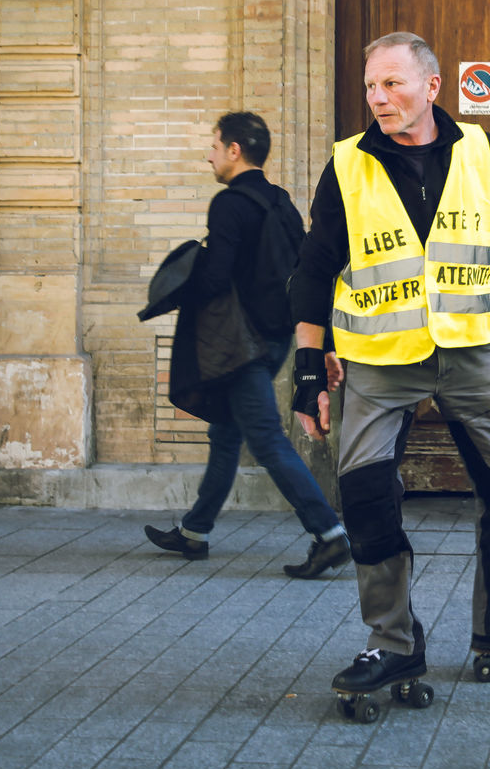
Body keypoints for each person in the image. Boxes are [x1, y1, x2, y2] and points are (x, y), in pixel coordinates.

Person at [288, 32, 490, 696]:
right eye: (370, 85)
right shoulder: (347, 163)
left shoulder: (477, 150)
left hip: (471, 354)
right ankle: (392, 642)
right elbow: (313, 267)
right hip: (377, 361)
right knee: (365, 498)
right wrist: (307, 367)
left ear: (432, 87)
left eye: (392, 83)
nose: (377, 97)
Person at [143, 112, 352, 579]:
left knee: (267, 440)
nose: (210, 155)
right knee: (226, 433)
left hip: (241, 347)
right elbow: (306, 277)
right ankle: (195, 531)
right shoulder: (281, 203)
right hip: (275, 340)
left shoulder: (229, 204)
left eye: (214, 146)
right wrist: (323, 342)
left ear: (234, 150)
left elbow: (216, 278)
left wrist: (183, 279)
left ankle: (329, 534)